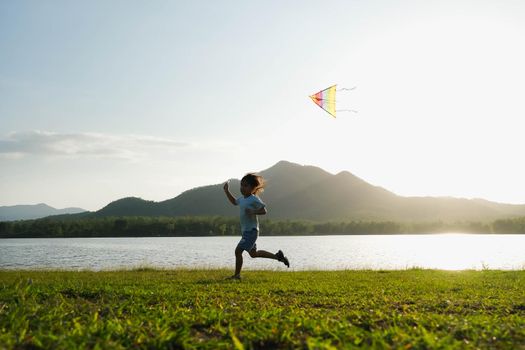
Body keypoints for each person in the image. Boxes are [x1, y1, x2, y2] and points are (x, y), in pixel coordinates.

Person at [223, 173, 289, 280]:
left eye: (246, 186)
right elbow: (234, 202)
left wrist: (253, 211)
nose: (242, 188)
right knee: (253, 254)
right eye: (241, 185)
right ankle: (278, 257)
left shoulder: (254, 199)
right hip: (246, 231)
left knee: (238, 251)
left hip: (251, 231)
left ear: (253, 188)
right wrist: (226, 191)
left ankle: (237, 275)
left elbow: (264, 210)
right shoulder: (242, 199)